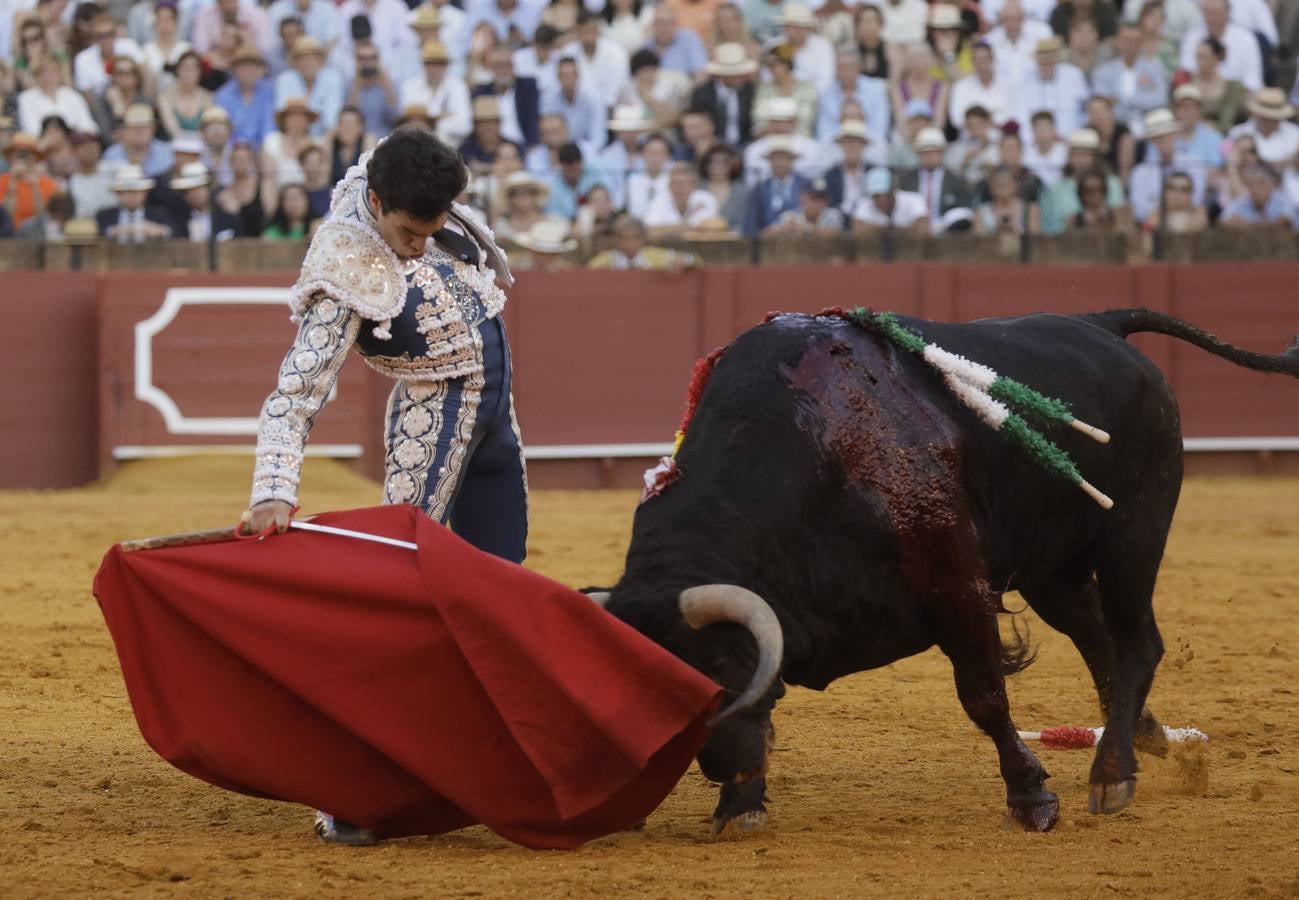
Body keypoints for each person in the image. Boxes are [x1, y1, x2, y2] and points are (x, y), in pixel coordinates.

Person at [244, 139, 527, 851]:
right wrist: (274, 489)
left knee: (502, 599)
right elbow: (292, 397)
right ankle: (363, 790)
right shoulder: (344, 265)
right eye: (406, 235)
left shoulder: (397, 171)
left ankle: (495, 763)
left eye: (430, 234)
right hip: (432, 422)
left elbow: (398, 147)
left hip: (495, 418)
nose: (416, 249)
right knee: (402, 611)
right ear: (376, 206)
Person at [1091, 23, 1167, 134]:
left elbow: (1160, 99)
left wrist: (1122, 99)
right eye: (1126, 40)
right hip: (1114, 128)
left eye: (1136, 41)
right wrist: (1142, 101)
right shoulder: (1103, 71)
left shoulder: (1154, 68)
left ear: (1142, 43)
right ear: (1118, 41)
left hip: (1148, 127)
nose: (1131, 45)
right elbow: (1102, 101)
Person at [899, 126, 974, 233]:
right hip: (913, 233)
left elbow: (963, 212)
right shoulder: (906, 180)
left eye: (934, 151)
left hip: (946, 235)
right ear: (918, 154)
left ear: (942, 153)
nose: (930, 156)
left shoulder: (957, 181)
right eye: (925, 152)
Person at [1178, 0, 1262, 93]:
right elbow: (1187, 69)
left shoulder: (1246, 39)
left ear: (1227, 13)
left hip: (1237, 95)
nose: (1210, 18)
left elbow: (1253, 79)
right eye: (1206, 13)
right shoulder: (1192, 37)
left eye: (1214, 13)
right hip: (1198, 93)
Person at [1016, 36, 1087, 136]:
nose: (1046, 66)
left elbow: (1083, 111)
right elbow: (1022, 115)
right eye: (1043, 62)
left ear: (1057, 61)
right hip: (1035, 141)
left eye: (1050, 62)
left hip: (1071, 139)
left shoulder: (1074, 76)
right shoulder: (1025, 80)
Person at [691, 43, 758, 148]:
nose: (740, 78)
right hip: (713, 146)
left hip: (746, 143)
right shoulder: (703, 94)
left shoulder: (750, 91)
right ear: (722, 75)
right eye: (735, 75)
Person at [275, 36, 344, 137]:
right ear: (295, 62)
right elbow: (283, 114)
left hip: (325, 137)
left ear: (320, 60)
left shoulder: (333, 78)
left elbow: (332, 119)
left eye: (312, 57)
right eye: (302, 58)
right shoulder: (285, 79)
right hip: (292, 136)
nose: (308, 62)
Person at [18, 55, 98, 138]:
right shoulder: (26, 98)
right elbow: (31, 130)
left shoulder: (72, 95)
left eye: (53, 72)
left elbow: (88, 125)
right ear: (37, 76)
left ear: (59, 74)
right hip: (43, 144)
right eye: (44, 72)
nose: (48, 77)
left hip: (74, 143)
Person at [214, 43, 277, 149]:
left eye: (253, 67)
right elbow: (223, 128)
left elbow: (269, 128)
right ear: (235, 70)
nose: (248, 72)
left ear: (261, 70)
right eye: (244, 67)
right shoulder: (223, 95)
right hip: (232, 150)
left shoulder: (269, 91)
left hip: (262, 150)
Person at [742, 136, 808, 235]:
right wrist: (770, 232)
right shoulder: (760, 189)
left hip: (801, 241)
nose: (780, 163)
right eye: (776, 159)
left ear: (792, 161)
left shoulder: (806, 184)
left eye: (784, 159)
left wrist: (801, 228)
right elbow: (750, 225)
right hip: (769, 243)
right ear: (769, 161)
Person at [587, 211, 696, 268]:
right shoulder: (605, 261)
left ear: (643, 239)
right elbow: (586, 273)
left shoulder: (655, 256)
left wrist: (684, 262)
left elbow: (693, 259)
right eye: (624, 238)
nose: (629, 244)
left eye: (634, 238)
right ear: (617, 240)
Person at [540, 56, 606, 149]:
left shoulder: (593, 99)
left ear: (578, 76)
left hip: (586, 152)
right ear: (557, 77)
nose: (567, 79)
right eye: (563, 75)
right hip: (557, 151)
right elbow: (547, 134)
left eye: (571, 75)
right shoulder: (548, 99)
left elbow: (598, 139)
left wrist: (578, 153)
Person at [755, 42, 816, 138]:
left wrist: (778, 127)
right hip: (768, 139)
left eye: (775, 64)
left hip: (799, 141)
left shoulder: (806, 88)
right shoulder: (764, 90)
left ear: (787, 63)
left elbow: (806, 122)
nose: (771, 69)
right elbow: (759, 122)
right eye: (768, 65)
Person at [96, 163, 173, 240]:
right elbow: (99, 233)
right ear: (118, 194)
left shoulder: (159, 214)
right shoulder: (105, 215)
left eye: (137, 191)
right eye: (127, 191)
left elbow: (175, 232)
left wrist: (160, 230)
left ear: (145, 193)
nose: (132, 196)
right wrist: (121, 230)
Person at [0, 132, 60, 230]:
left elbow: (44, 218)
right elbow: (5, 216)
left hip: (38, 239)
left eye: (28, 152)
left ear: (36, 157)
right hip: (7, 238)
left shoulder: (49, 183)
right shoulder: (2, 181)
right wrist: (13, 182)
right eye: (19, 153)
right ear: (11, 156)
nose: (24, 157)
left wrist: (35, 187)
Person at [1227, 88, 1299, 167]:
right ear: (1256, 114)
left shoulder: (1295, 134)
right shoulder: (1237, 133)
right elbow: (1229, 162)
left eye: (1274, 118)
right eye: (1266, 118)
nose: (1270, 122)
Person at [644, 160, 719, 234]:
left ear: (694, 186)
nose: (679, 188)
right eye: (675, 183)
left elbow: (706, 227)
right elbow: (650, 228)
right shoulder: (661, 198)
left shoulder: (706, 198)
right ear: (669, 186)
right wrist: (688, 225)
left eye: (685, 183)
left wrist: (666, 229)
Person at [173, 161, 242, 240]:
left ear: (210, 188)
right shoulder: (178, 221)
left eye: (198, 188)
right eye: (187, 191)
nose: (193, 194)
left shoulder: (228, 219)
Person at [948, 41, 1010, 129]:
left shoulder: (1008, 85)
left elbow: (1012, 115)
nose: (981, 63)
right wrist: (988, 121)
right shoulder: (960, 87)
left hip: (1002, 138)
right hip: (970, 139)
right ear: (972, 62)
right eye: (977, 59)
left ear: (992, 59)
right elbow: (957, 120)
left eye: (985, 58)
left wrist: (982, 121)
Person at [103, 103, 175, 178]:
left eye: (143, 128)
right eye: (134, 128)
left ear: (153, 129)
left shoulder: (167, 153)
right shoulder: (112, 154)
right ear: (124, 130)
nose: (139, 132)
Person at [1191, 37, 1245, 134]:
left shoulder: (1231, 87)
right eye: (1198, 57)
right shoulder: (1187, 81)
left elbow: (1226, 121)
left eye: (1205, 57)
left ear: (1216, 58)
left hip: (1218, 136)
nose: (1200, 63)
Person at [851, 166, 928, 234]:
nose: (882, 200)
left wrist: (885, 230)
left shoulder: (914, 199)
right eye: (876, 196)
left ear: (895, 190)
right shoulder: (865, 202)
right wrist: (891, 230)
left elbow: (924, 227)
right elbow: (857, 229)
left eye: (886, 194)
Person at [347, 39, 398, 137]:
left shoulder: (390, 85)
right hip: (356, 140)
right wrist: (356, 87)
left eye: (371, 58)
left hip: (384, 139)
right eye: (362, 58)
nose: (367, 62)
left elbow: (394, 119)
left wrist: (387, 87)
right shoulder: (348, 85)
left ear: (378, 60)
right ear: (355, 61)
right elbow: (348, 120)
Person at [158, 50, 214, 138]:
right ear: (177, 70)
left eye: (193, 67)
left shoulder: (208, 97)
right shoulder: (164, 97)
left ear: (200, 72)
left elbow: (206, 130)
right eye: (184, 67)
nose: (188, 71)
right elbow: (173, 130)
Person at [1220, 162, 1294, 227]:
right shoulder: (1241, 202)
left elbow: (1284, 222)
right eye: (1250, 184)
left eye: (1260, 183)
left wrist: (1247, 224)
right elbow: (1224, 221)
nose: (1255, 189)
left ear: (1271, 184)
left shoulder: (1284, 200)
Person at [764, 176, 845, 235]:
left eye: (821, 198)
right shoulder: (790, 215)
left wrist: (806, 229)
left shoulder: (833, 214)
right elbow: (763, 236)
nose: (816, 202)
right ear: (802, 198)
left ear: (826, 201)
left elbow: (836, 233)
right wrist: (784, 228)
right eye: (813, 198)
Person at [975, 163, 1041, 234]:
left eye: (1006, 183)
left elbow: (1035, 239)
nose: (1003, 187)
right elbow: (979, 240)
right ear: (991, 186)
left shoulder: (1030, 210)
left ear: (1015, 184)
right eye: (999, 184)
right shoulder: (981, 212)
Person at [698, 142, 748, 231]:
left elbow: (745, 220)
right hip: (699, 238)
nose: (719, 166)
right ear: (706, 165)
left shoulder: (742, 190)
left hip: (734, 240)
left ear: (732, 165)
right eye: (714, 162)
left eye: (724, 162)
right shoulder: (697, 188)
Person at [68, 131, 116, 217]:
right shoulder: (71, 181)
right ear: (74, 151)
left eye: (93, 143)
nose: (90, 148)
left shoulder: (115, 170)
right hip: (87, 227)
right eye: (83, 145)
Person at [1143, 169, 1207, 232]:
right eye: (1172, 189)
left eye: (1184, 190)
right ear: (1165, 192)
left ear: (1191, 194)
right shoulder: (1155, 214)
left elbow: (1200, 223)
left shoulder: (1199, 212)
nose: (1177, 195)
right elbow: (1150, 226)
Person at [329, 105, 376, 183]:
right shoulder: (332, 144)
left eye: (351, 124)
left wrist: (368, 138)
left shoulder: (366, 142)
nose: (347, 128)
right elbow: (324, 177)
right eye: (343, 124)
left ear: (361, 127)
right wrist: (329, 138)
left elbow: (369, 173)